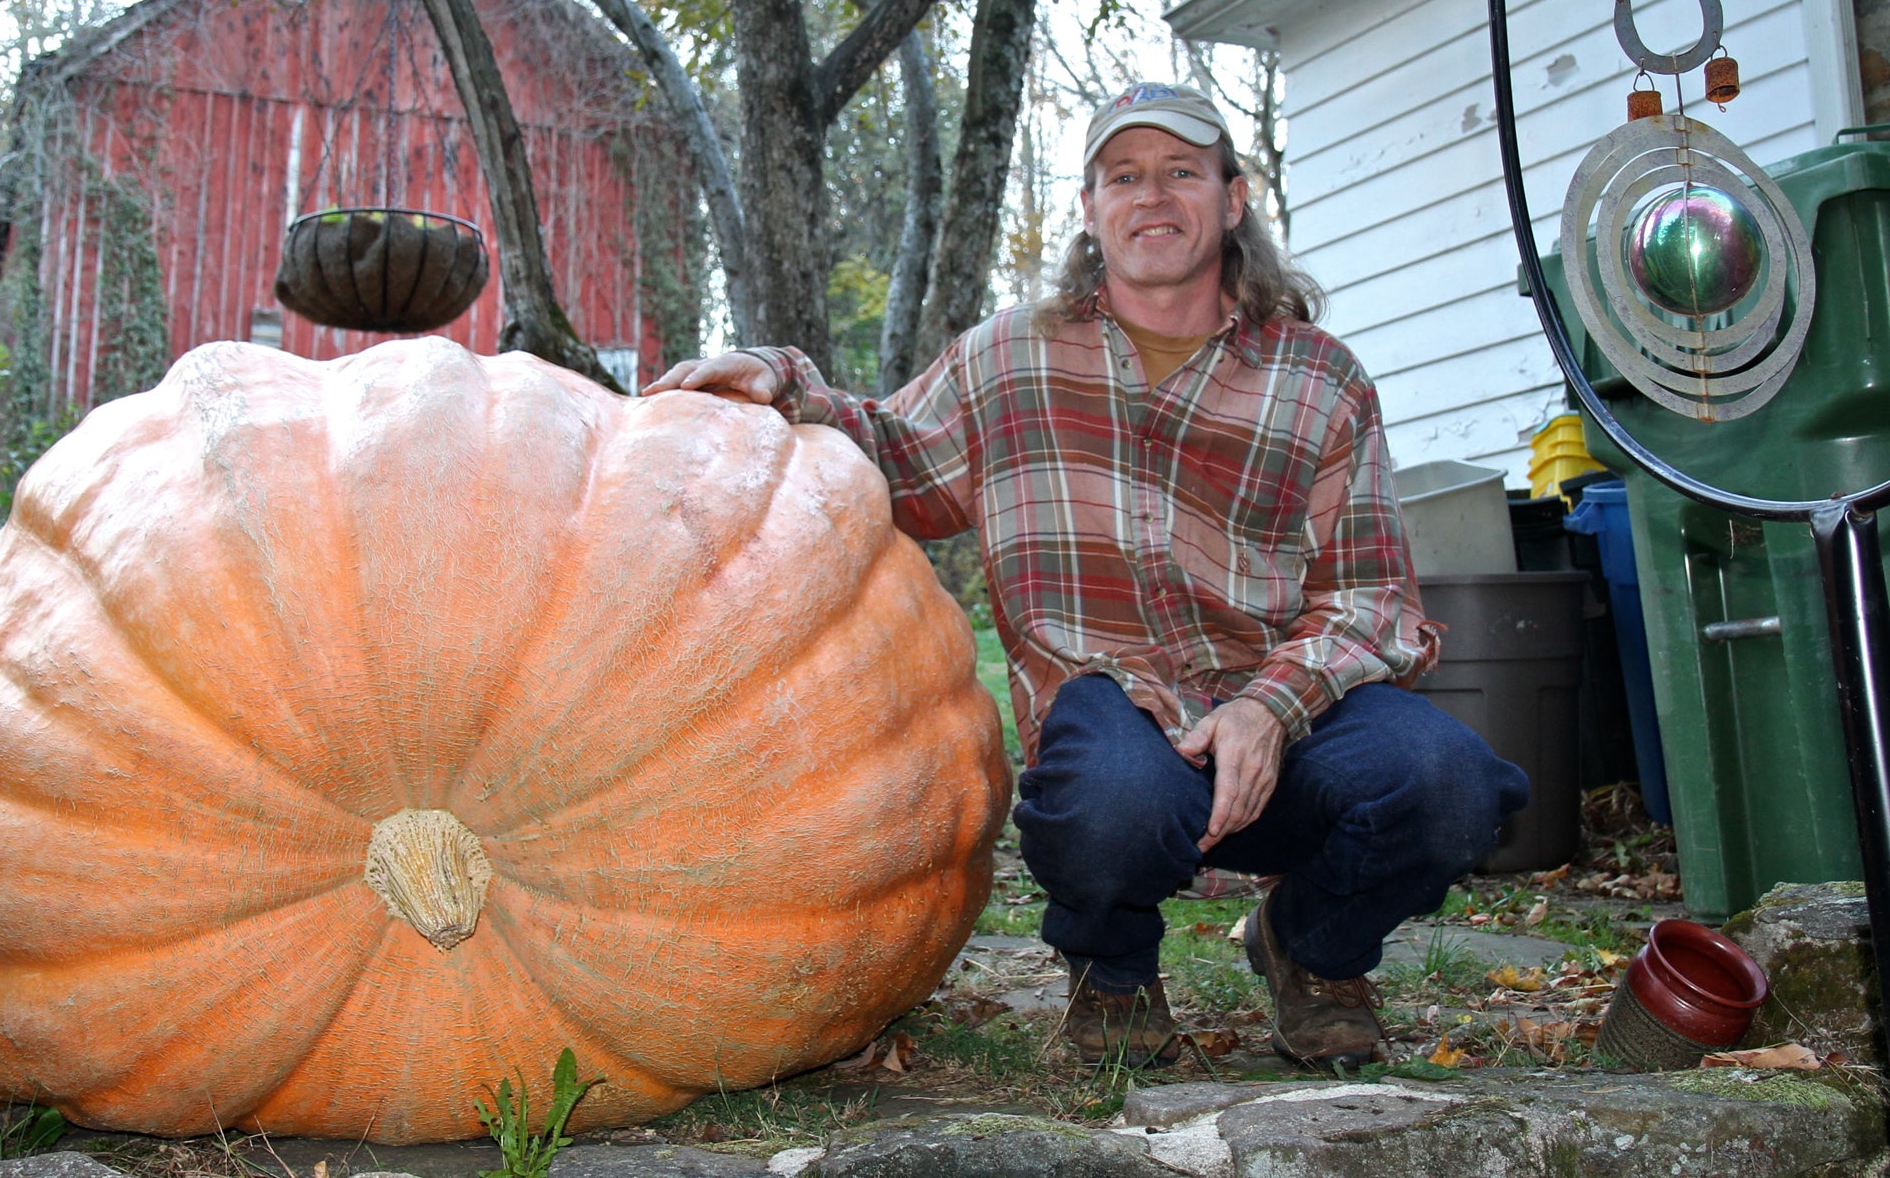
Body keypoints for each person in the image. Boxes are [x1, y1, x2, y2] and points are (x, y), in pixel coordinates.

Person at [645, 81, 1529, 1071]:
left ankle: (1311, 948)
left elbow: (1372, 601)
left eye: (1181, 173)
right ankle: (1112, 973)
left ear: (1232, 199)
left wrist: (1270, 709)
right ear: (1092, 209)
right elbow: (892, 455)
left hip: (1287, 718)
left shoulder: (1320, 381)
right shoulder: (1013, 354)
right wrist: (781, 383)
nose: (1153, 198)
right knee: (1111, 796)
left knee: (1456, 785)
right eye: (1125, 177)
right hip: (1115, 709)